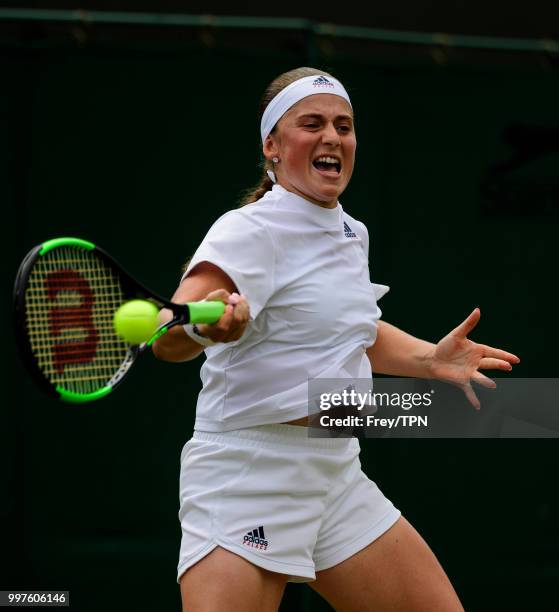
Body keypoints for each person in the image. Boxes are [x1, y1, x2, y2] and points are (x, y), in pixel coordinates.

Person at [152, 67, 519, 612]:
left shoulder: (350, 231)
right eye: (313, 123)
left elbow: (351, 330)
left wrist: (429, 359)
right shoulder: (250, 229)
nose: (332, 137)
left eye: (344, 126)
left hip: (334, 472)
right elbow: (169, 333)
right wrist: (209, 326)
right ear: (272, 146)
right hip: (250, 474)